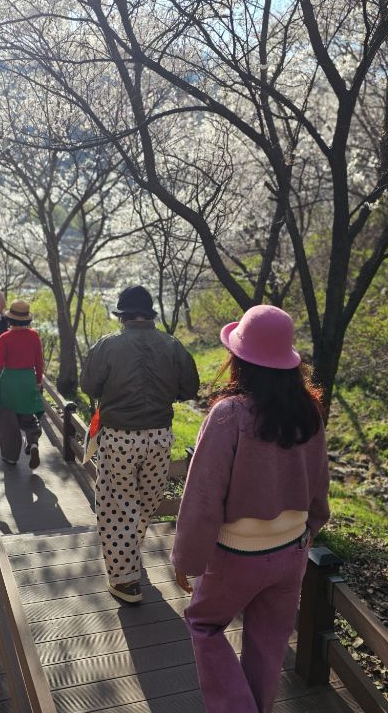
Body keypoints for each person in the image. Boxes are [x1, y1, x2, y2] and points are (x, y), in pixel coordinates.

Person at [171, 305, 330, 713]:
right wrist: (311, 527)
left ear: (240, 360)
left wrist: (187, 559)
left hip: (237, 555)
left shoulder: (230, 414)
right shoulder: (309, 412)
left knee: (204, 624)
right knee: (268, 642)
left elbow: (203, 498)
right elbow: (319, 483)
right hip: (292, 551)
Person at [79, 285, 200, 604]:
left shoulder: (108, 345)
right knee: (146, 500)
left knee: (117, 504)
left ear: (123, 316)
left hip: (119, 436)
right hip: (159, 436)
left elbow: (88, 384)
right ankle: (129, 553)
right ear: (149, 315)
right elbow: (190, 388)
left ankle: (125, 580)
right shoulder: (172, 345)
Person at [0, 300, 45, 468]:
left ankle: (10, 457)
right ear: (27, 319)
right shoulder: (34, 336)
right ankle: (32, 443)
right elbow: (39, 362)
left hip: (9, 382)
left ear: (9, 319)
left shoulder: (5, 338)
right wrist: (38, 381)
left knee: (7, 422)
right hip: (28, 381)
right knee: (28, 416)